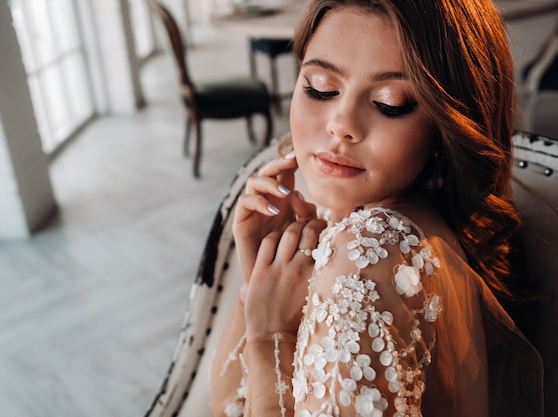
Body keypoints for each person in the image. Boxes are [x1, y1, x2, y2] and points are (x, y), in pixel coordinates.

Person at [209, 0, 545, 416]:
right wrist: (263, 281)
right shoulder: (405, 231)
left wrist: (269, 336)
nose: (341, 123)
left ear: (447, 124)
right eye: (320, 86)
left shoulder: (369, 252)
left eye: (391, 102)